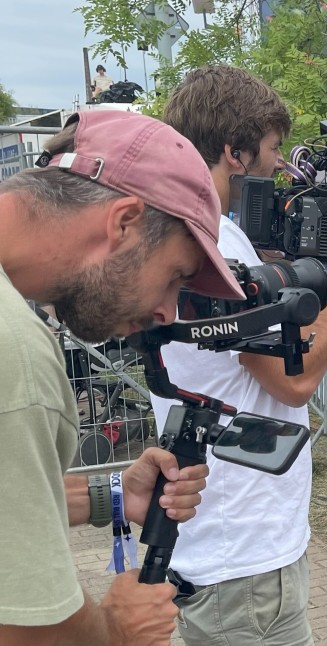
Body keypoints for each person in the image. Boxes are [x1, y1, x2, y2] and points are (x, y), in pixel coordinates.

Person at [150, 64, 327, 645]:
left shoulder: (187, 232)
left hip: (228, 545)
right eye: (272, 150)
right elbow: (296, 378)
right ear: (235, 152)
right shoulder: (215, 246)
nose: (279, 167)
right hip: (246, 562)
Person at [0, 109, 225, 643]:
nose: (169, 312)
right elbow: (23, 629)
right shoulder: (15, 353)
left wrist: (114, 496)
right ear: (124, 221)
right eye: (176, 276)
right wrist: (114, 630)